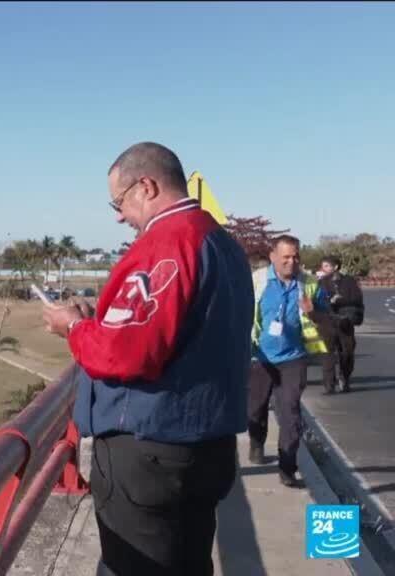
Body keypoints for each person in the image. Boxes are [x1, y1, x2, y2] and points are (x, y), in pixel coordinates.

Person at [42, 142, 253, 576]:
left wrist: (75, 328)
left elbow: (126, 353)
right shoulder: (223, 244)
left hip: (151, 450)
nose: (119, 216)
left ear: (147, 186)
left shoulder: (166, 243)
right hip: (206, 446)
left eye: (118, 202)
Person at [247, 235, 330, 487]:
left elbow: (327, 319)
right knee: (255, 409)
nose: (291, 262)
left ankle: (287, 468)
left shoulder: (311, 284)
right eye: (285, 257)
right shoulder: (257, 281)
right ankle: (257, 442)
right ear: (272, 257)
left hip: (294, 358)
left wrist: (312, 312)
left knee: (290, 413)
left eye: (295, 257)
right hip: (259, 356)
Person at [318, 255, 364, 393]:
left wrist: (340, 300)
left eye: (326, 266)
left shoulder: (349, 281)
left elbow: (357, 299)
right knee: (327, 354)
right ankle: (329, 385)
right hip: (327, 322)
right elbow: (317, 301)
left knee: (347, 353)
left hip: (345, 322)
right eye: (323, 266)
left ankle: (344, 377)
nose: (323, 269)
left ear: (335, 267)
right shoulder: (321, 282)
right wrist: (329, 301)